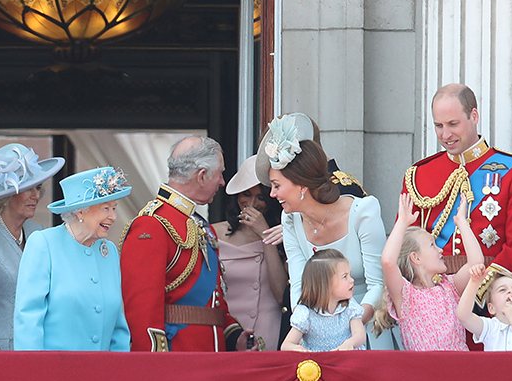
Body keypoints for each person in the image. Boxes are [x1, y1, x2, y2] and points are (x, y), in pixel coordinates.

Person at [255, 113, 390, 349]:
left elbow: (378, 284)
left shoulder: (363, 211)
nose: (273, 194)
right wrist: (309, 329)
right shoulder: (290, 220)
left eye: (277, 186)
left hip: (367, 331)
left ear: (301, 186)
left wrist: (349, 328)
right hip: (317, 336)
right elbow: (299, 286)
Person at [400, 83, 512, 310]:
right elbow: (405, 245)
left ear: (474, 116)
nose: (445, 135)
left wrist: (477, 290)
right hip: (430, 301)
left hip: (487, 301)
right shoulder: (419, 175)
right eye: (439, 126)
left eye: (453, 124)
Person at [120, 135, 255, 352]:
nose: (222, 182)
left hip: (210, 358)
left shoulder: (202, 226)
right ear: (201, 176)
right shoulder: (152, 225)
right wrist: (155, 364)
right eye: (219, 174)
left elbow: (215, 303)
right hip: (178, 358)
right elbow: (140, 311)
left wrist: (234, 336)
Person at [13, 167, 131, 351]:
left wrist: (120, 373)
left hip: (102, 374)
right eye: (105, 208)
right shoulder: (44, 244)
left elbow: (118, 326)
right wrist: (34, 374)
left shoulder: (110, 252)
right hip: (55, 373)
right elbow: (28, 319)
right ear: (80, 212)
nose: (113, 217)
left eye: (114, 208)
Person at [373, 193, 483, 351]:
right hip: (424, 373)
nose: (440, 250)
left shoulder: (450, 287)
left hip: (459, 370)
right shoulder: (405, 295)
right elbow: (388, 261)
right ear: (415, 258)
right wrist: (402, 222)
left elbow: (476, 262)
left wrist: (461, 222)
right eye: (432, 245)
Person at [0, 143, 64, 350]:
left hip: (37, 352)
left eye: (38, 187)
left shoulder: (38, 233)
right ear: (6, 193)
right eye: (27, 188)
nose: (36, 196)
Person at [212, 155, 287, 350]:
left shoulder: (284, 235)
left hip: (267, 330)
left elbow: (281, 295)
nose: (252, 204)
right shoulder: (213, 233)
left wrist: (265, 235)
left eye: (261, 197)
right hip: (226, 333)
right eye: (245, 194)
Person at [281, 249, 366, 351]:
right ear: (325, 284)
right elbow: (286, 345)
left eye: (350, 275)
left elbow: (360, 335)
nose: (352, 280)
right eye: (345, 276)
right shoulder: (305, 313)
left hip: (347, 361)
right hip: (318, 364)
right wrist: (299, 349)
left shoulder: (350, 307)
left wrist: (350, 343)